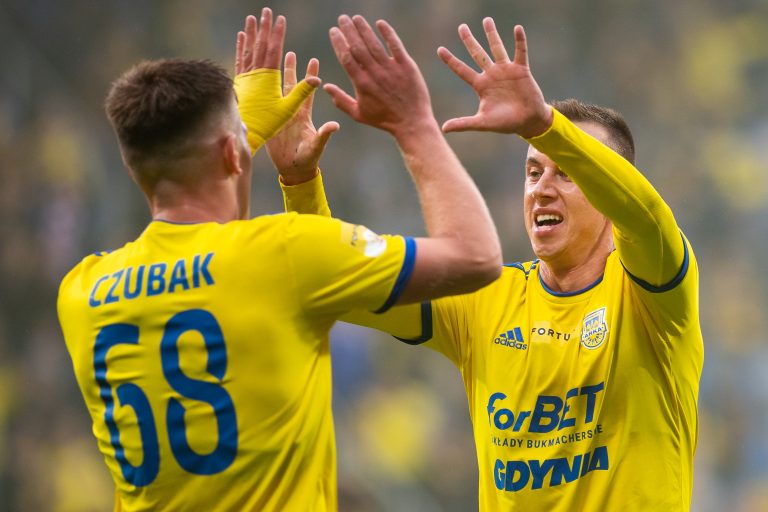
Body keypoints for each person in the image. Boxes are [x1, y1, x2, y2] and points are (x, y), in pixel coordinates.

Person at [56, 8, 501, 512]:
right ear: (231, 154)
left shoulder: (81, 291)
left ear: (131, 166)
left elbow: (211, 252)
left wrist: (249, 146)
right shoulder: (283, 252)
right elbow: (477, 256)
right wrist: (414, 124)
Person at [276, 16, 703, 511]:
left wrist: (544, 125)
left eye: (567, 172)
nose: (542, 186)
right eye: (533, 170)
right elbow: (342, 283)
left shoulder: (655, 291)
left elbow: (646, 215)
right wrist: (299, 180)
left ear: (611, 187)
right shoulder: (485, 296)